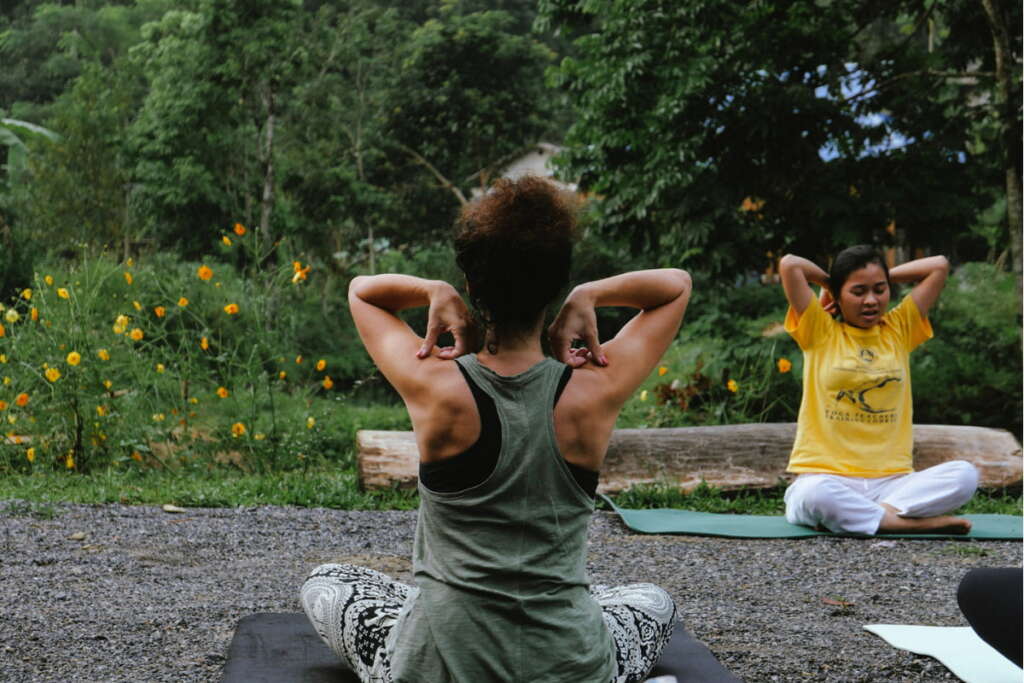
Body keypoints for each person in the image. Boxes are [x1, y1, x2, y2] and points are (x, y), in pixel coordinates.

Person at [300, 175, 692, 682]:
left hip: (434, 667)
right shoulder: (595, 388)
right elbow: (676, 285)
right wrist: (589, 295)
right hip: (568, 667)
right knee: (651, 599)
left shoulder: (433, 383)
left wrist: (432, 291)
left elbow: (363, 293)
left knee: (327, 580)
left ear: (471, 285)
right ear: (555, 286)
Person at [777, 246, 978, 535]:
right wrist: (830, 283)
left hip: (891, 485)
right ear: (838, 294)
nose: (871, 300)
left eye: (879, 290)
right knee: (812, 494)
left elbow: (939, 266)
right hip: (827, 477)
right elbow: (790, 264)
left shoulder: (898, 328)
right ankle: (904, 523)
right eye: (858, 292)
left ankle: (870, 518)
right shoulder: (819, 330)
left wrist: (880, 275)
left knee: (965, 476)